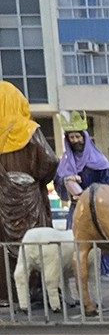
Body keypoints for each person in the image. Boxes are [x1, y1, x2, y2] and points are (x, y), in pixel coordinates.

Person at [0, 81, 58, 307]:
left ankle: (7, 296)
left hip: (1, 200)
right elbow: (50, 160)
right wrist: (37, 179)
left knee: (4, 249)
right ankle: (35, 293)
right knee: (35, 246)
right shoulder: (28, 130)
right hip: (28, 199)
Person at [54, 115, 109, 229]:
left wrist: (88, 194)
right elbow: (58, 185)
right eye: (71, 138)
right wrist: (66, 180)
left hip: (97, 210)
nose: (75, 141)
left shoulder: (99, 161)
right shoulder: (65, 163)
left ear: (84, 138)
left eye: (78, 137)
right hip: (76, 209)